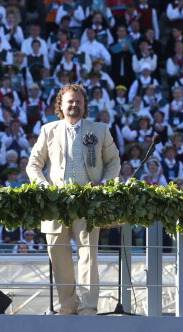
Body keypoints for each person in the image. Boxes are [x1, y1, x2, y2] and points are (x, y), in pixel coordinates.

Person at [27, 83, 121, 315]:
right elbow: (33, 165)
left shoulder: (99, 129)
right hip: (55, 202)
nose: (74, 105)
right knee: (58, 256)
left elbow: (114, 162)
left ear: (84, 105)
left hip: (89, 201)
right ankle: (68, 305)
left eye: (78, 101)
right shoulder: (48, 129)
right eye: (70, 101)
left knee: (88, 253)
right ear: (60, 104)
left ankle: (88, 306)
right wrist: (43, 186)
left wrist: (105, 184)